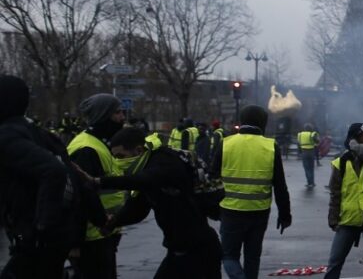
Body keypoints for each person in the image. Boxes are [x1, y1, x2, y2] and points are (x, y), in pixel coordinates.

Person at [80, 127, 222, 278]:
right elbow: (138, 208)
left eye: (121, 156)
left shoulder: (166, 161)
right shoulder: (148, 168)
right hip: (179, 252)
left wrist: (98, 181)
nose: (118, 162)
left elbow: (146, 180)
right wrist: (112, 223)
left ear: (138, 150)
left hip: (200, 252)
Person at [0, 75, 99, 279]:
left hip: (35, 238)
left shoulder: (7, 135)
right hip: (54, 237)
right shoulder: (39, 133)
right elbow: (76, 176)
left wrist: (42, 227)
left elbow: (54, 171)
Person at [212, 105, 292, 279]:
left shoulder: (226, 143)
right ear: (263, 123)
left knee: (229, 256)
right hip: (259, 211)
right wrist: (285, 214)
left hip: (230, 210)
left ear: (242, 121)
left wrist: (212, 207)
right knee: (253, 258)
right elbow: (280, 185)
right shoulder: (271, 146)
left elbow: (212, 178)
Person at [68, 94, 128, 279]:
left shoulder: (101, 143)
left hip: (104, 234)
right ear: (103, 115)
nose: (122, 117)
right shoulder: (87, 149)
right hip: (91, 238)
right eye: (117, 113)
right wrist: (75, 242)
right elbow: (78, 198)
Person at [324, 123, 363, 279]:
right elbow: (335, 193)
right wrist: (333, 219)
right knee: (335, 261)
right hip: (348, 219)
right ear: (357, 137)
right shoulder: (342, 161)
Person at [298, 123, 321, 188]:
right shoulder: (313, 134)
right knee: (311, 168)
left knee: (306, 168)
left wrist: (299, 153)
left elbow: (299, 143)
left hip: (304, 152)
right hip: (311, 152)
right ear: (311, 128)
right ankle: (312, 182)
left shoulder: (300, 134)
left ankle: (309, 182)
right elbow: (317, 142)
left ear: (304, 128)